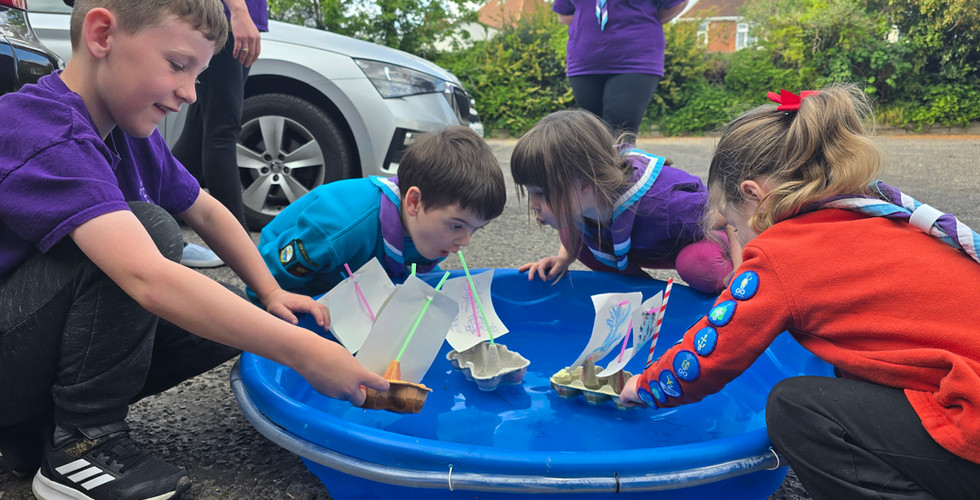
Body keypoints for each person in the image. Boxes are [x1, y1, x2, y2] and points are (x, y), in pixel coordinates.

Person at [0, 1, 387, 499]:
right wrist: (308, 354)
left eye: (200, 75)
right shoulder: (40, 129)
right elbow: (148, 279)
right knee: (153, 234)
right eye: (179, 65)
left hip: (23, 353)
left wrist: (270, 294)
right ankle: (81, 444)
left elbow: (205, 210)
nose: (189, 93)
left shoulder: (126, 127)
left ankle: (37, 428)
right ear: (101, 35)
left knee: (238, 321)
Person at [619, 84, 980, 499]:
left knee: (796, 407)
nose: (736, 236)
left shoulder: (782, 254)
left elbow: (709, 354)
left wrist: (642, 387)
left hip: (970, 427)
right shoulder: (881, 214)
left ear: (754, 195)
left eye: (734, 225)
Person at [251, 126, 506, 300]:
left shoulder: (429, 233)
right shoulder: (340, 227)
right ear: (414, 202)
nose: (465, 242)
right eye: (457, 226)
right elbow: (265, 284)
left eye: (475, 229)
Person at [511, 109, 737, 294]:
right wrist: (563, 257)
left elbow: (731, 217)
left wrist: (742, 271)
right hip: (643, 245)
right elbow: (573, 225)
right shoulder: (584, 201)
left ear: (584, 181)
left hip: (694, 240)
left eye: (540, 193)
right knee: (574, 229)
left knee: (699, 265)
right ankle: (635, 287)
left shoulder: (665, 206)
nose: (532, 204)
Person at [172, 0, 266, 269]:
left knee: (196, 139)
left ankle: (150, 218)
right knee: (222, 132)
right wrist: (239, 10)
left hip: (228, 17)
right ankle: (239, 246)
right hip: (222, 17)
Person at [553, 0, 689, 135]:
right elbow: (563, 15)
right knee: (592, 135)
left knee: (619, 134)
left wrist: (645, 18)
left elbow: (678, 3)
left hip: (635, 60)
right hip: (585, 61)